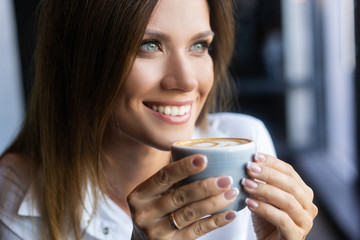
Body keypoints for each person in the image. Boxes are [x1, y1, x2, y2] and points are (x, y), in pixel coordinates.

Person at [0, 0, 318, 239]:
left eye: (199, 45)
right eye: (148, 45)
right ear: (81, 56)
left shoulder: (248, 141)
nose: (187, 81)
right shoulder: (16, 194)